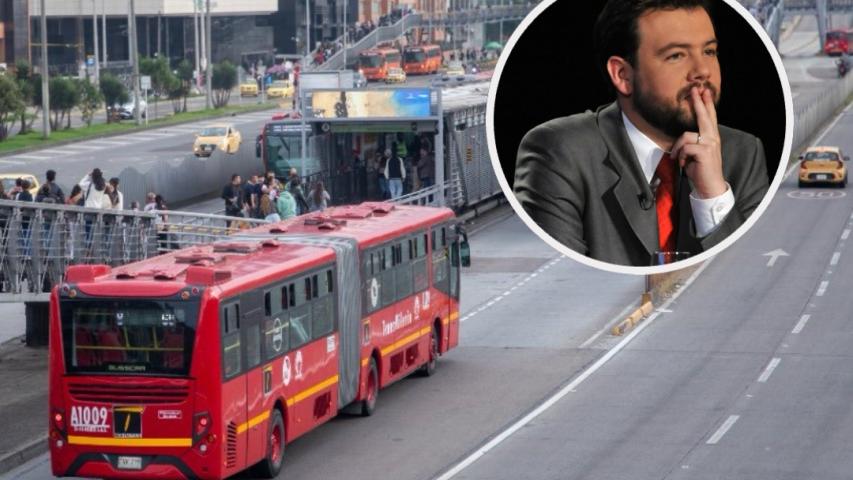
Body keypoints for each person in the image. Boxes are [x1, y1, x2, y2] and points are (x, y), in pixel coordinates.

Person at [513, 0, 769, 267]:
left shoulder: (745, 153)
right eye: (676, 55)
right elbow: (560, 277)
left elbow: (754, 277)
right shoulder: (560, 152)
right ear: (623, 75)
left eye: (709, 51)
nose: (702, 71)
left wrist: (714, 196)